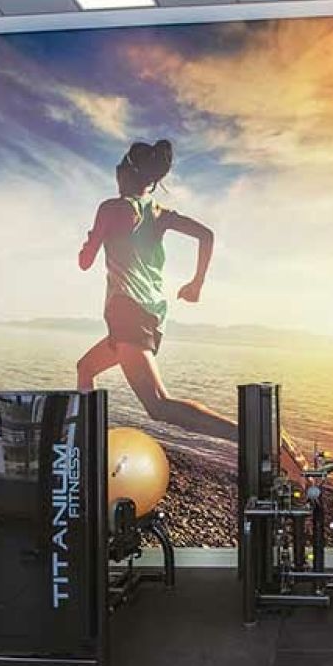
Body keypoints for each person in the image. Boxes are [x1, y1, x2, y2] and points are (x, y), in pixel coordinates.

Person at [76, 140, 235, 441]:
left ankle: (252, 434)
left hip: (127, 313)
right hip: (151, 316)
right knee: (86, 368)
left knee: (158, 405)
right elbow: (206, 235)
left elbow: (85, 262)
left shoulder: (111, 209)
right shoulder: (160, 213)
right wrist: (196, 284)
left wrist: (90, 242)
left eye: (118, 169)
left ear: (124, 173)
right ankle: (89, 443)